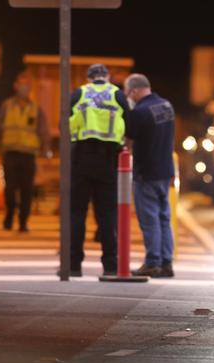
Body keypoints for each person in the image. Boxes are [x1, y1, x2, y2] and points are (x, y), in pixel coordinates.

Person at [67, 64, 130, 277]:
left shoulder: (79, 93)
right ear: (107, 77)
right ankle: (110, 265)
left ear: (89, 78)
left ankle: (74, 265)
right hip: (108, 160)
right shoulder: (117, 95)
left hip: (81, 159)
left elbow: (63, 121)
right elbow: (129, 124)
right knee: (107, 215)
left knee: (76, 213)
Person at [124, 74, 176, 278]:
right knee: (164, 218)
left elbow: (128, 140)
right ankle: (166, 263)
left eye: (128, 93)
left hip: (146, 172)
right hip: (165, 171)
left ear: (135, 91)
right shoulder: (166, 106)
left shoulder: (140, 111)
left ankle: (153, 262)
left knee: (150, 219)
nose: (129, 96)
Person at [0, 73, 51, 232]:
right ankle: (9, 216)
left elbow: (43, 131)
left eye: (27, 85)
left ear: (30, 88)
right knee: (10, 188)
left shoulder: (36, 109)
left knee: (27, 190)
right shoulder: (7, 106)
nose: (23, 88)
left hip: (28, 155)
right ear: (15, 86)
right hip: (10, 153)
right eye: (21, 84)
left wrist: (45, 150)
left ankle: (23, 222)